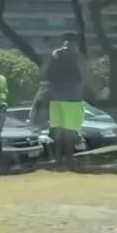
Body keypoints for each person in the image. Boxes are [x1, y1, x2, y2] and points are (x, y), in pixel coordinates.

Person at [43, 33, 99, 166]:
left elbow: (45, 73)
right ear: (76, 44)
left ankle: (58, 159)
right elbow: (85, 75)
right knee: (71, 131)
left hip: (55, 98)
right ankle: (69, 158)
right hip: (72, 98)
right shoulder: (77, 56)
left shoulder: (54, 56)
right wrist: (92, 90)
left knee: (58, 130)